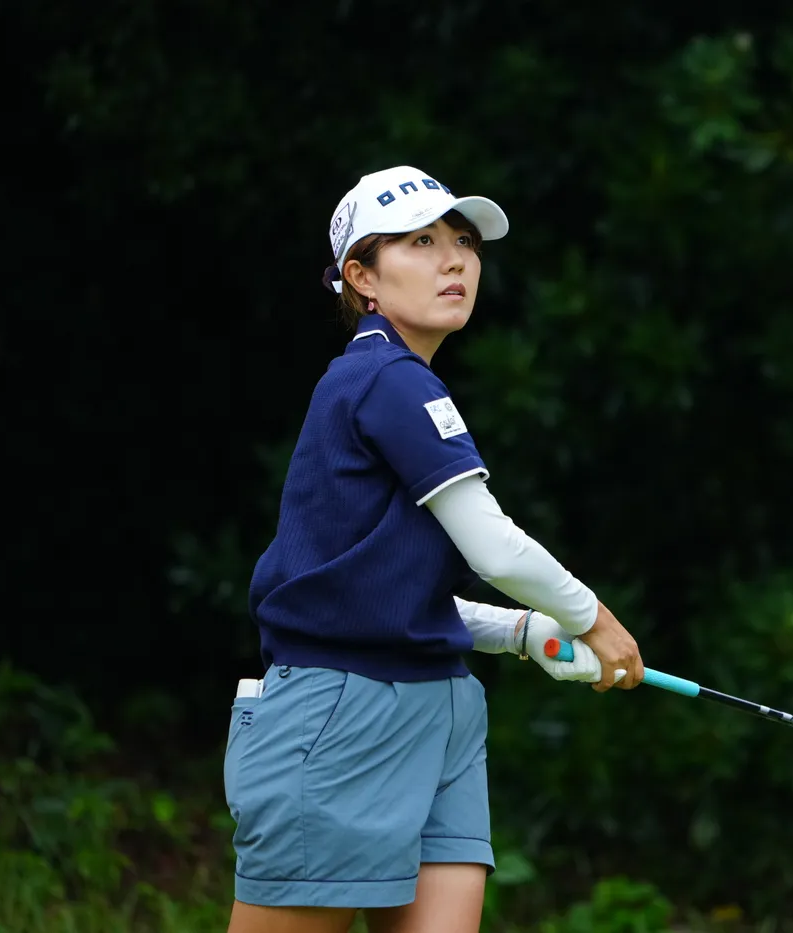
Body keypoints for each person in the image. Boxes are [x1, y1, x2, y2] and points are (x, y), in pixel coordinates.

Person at [223, 165, 645, 933]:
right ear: (362, 277)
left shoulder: (400, 385)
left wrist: (522, 630)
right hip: (342, 711)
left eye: (464, 242)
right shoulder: (385, 379)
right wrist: (597, 620)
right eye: (420, 242)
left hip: (440, 707)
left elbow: (378, 589)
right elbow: (496, 549)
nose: (455, 259)